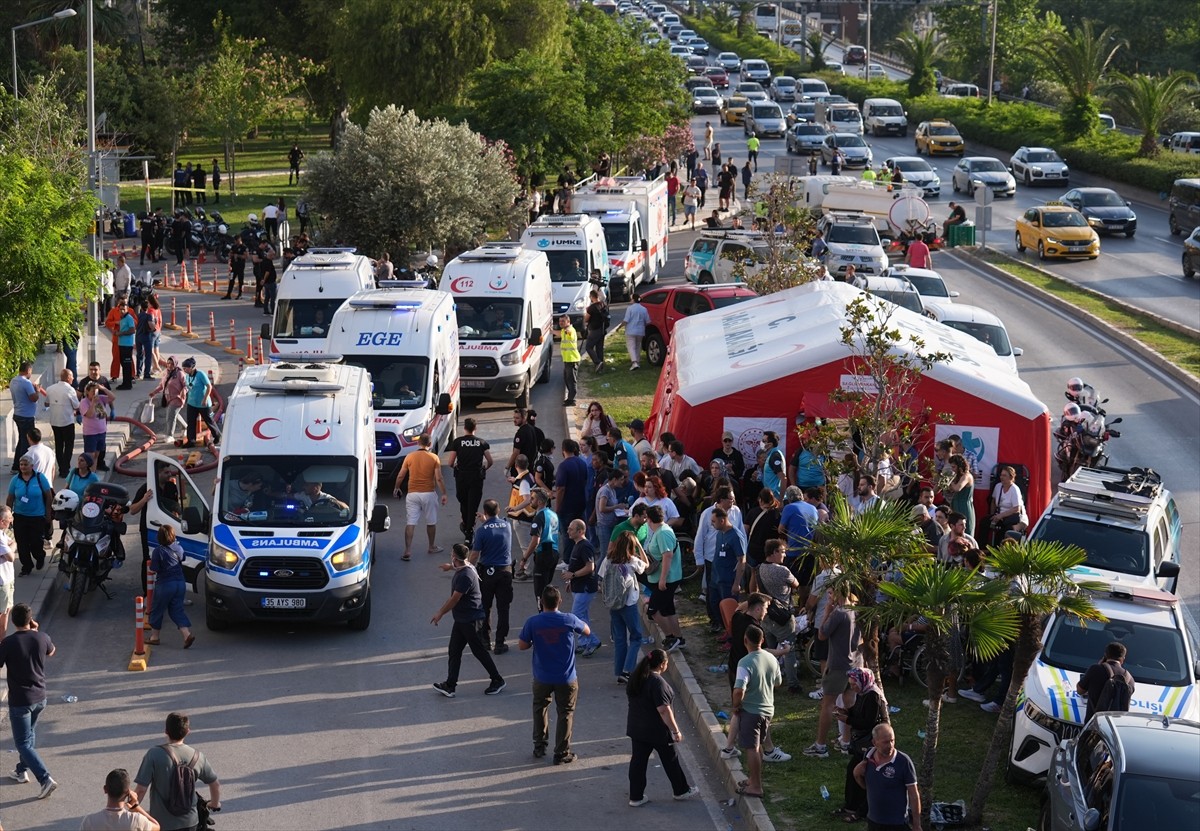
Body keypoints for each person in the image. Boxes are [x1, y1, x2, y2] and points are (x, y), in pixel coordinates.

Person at [519, 585, 589, 763]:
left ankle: (539, 745)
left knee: (540, 708)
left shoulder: (533, 622)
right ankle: (561, 752)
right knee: (565, 713)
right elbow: (586, 631)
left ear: (541, 602)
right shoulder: (568, 620)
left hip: (542, 676)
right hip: (566, 677)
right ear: (560, 601)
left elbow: (522, 645)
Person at [626, 649, 700, 806]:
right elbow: (664, 710)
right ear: (662, 664)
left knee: (638, 762)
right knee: (670, 760)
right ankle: (681, 790)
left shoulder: (636, 677)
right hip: (657, 731)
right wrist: (675, 730)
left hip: (637, 729)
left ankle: (635, 796)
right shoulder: (658, 683)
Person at [431, 543, 506, 698]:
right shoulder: (466, 567)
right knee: (454, 650)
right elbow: (460, 566)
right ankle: (450, 685)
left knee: (479, 651)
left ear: (454, 556)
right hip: (462, 619)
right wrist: (449, 567)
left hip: (471, 620)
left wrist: (440, 613)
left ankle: (497, 680)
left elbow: (454, 600)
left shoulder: (465, 577)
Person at [0, 603, 57, 799]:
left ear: (13, 622)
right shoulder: (42, 637)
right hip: (40, 698)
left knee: (23, 742)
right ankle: (21, 770)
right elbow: (51, 651)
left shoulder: (8, 643)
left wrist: (1, 629)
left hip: (20, 702)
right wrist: (36, 631)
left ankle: (45, 778)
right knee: (29, 735)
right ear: (30, 619)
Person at [134, 713, 220, 829]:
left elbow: (140, 790)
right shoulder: (197, 756)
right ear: (187, 731)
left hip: (161, 822)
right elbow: (214, 784)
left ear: (166, 731)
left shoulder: (154, 754)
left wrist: (132, 811)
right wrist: (214, 803)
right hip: (190, 822)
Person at [805, 586, 862, 758]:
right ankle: (846, 741)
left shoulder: (839, 613)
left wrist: (827, 612)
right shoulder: (857, 611)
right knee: (849, 702)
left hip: (837, 665)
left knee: (827, 705)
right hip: (854, 664)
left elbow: (821, 635)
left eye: (830, 593)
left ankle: (820, 745)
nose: (828, 596)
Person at [733, 624, 782, 798]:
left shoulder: (744, 662)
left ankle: (756, 786)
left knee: (752, 748)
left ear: (745, 640)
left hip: (751, 711)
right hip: (768, 710)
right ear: (762, 640)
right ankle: (753, 780)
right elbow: (778, 682)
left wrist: (736, 704)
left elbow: (739, 689)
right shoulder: (771, 659)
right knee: (758, 746)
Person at [836, 668, 891, 823]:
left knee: (861, 774)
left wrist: (847, 720)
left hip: (872, 744)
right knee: (853, 771)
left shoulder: (873, 696)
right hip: (864, 743)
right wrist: (846, 711)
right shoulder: (864, 693)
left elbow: (868, 721)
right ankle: (851, 806)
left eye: (854, 684)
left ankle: (861, 809)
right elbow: (859, 711)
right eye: (851, 685)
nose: (853, 688)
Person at [599, 529, 649, 683]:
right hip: (629, 604)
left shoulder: (608, 559)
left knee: (620, 639)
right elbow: (646, 564)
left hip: (613, 604)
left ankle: (619, 670)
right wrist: (640, 547)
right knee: (636, 637)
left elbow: (601, 578)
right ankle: (628, 670)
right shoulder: (632, 561)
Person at [853, 723, 921, 831]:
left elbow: (914, 795)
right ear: (874, 742)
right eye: (885, 742)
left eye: (892, 740)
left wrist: (917, 825)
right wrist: (856, 773)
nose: (890, 745)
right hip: (874, 821)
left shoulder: (903, 762)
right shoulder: (868, 755)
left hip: (897, 823)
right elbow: (864, 782)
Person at [467, 500, 513, 654]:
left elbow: (474, 555)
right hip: (505, 572)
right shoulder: (507, 525)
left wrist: (466, 566)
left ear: (485, 512)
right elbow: (496, 526)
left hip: (487, 573)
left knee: (485, 607)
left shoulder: (482, 531)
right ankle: (500, 643)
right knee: (503, 608)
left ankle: (485, 641)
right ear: (498, 510)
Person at [393, 433, 447, 561]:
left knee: (411, 522)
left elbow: (401, 475)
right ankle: (431, 546)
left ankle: (407, 550)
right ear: (430, 444)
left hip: (412, 494)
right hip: (429, 494)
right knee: (431, 521)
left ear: (418, 443)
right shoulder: (434, 458)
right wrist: (444, 493)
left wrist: (396, 487)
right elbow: (439, 478)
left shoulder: (409, 457)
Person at [146, 524, 195, 650]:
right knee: (176, 610)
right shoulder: (177, 549)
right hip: (180, 583)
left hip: (166, 584)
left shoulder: (158, 551)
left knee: (157, 609)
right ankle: (187, 635)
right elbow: (182, 558)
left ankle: (154, 637)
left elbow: (154, 568)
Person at [645, 505, 686, 651]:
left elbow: (667, 555)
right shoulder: (661, 531)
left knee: (653, 611)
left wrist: (662, 579)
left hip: (667, 579)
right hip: (665, 578)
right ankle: (679, 638)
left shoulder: (662, 533)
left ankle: (670, 638)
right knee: (668, 609)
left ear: (649, 519)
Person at [447, 418, 492, 540]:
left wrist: (456, 466)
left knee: (464, 501)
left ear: (464, 428)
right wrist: (484, 469)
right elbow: (490, 461)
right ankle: (469, 529)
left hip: (462, 477)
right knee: (473, 504)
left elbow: (450, 462)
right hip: (476, 477)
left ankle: (468, 529)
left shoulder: (457, 442)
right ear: (475, 428)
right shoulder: (482, 443)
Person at [7, 456, 52, 575]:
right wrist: (7, 515)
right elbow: (10, 498)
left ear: (32, 466)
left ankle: (40, 556)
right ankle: (26, 566)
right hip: (20, 516)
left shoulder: (40, 478)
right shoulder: (15, 480)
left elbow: (48, 496)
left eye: (25, 465)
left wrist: (48, 513)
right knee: (21, 544)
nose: (22, 467)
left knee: (36, 542)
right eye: (21, 464)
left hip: (37, 517)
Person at [80, 768, 160, 831]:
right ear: (128, 792)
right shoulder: (137, 820)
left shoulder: (89, 821)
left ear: (105, 789)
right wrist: (136, 807)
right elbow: (156, 826)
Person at [518, 489, 560, 607]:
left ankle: (543, 616)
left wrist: (524, 558)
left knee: (540, 593)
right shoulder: (553, 514)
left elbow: (535, 541)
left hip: (543, 555)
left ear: (540, 501)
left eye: (533, 498)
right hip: (554, 553)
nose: (530, 500)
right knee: (547, 589)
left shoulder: (539, 517)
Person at [1076, 641, 1135, 723]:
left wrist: (1099, 665)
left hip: (1093, 725)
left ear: (1105, 655)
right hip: (1115, 728)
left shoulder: (1095, 669)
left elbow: (1080, 690)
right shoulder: (1130, 679)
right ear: (1123, 659)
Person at [42, 369, 79, 477]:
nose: (73, 378)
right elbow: (77, 405)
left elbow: (46, 403)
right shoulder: (70, 390)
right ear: (68, 377)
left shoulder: (50, 388)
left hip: (54, 421)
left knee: (58, 444)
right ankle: (65, 468)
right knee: (68, 445)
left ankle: (61, 467)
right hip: (67, 421)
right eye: (71, 376)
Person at [9, 362, 44, 472]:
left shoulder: (13, 381)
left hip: (18, 413)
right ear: (28, 370)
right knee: (27, 442)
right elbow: (33, 398)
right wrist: (37, 391)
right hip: (26, 416)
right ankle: (22, 467)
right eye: (31, 372)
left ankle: (15, 466)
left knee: (22, 439)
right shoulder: (26, 383)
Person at [181, 358, 220, 448]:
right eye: (183, 368)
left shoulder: (200, 374)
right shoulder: (187, 376)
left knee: (209, 421)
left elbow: (209, 386)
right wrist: (184, 390)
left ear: (192, 367)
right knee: (190, 423)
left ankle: (217, 436)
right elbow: (188, 386)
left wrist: (205, 398)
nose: (184, 370)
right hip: (192, 403)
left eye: (186, 368)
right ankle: (191, 440)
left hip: (203, 404)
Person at [988, 465, 1028, 543]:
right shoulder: (998, 486)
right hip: (1000, 516)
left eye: (1004, 475)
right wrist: (993, 514)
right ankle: (982, 547)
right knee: (984, 522)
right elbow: (993, 501)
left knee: (1005, 530)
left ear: (1011, 477)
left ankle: (998, 549)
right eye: (1001, 475)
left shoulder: (1014, 489)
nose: (1001, 477)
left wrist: (1000, 516)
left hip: (1012, 517)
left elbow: (1017, 509)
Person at [944, 453, 976, 536]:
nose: (952, 469)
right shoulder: (958, 476)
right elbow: (951, 490)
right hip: (955, 505)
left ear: (960, 466)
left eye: (954, 467)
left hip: (964, 506)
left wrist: (949, 482)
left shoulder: (967, 476)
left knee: (965, 531)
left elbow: (957, 488)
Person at [620, 294, 650, 371]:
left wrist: (620, 327)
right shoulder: (644, 309)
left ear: (633, 300)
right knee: (637, 346)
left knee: (631, 347)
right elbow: (648, 321)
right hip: (640, 331)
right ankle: (637, 361)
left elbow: (626, 320)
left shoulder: (630, 308)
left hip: (631, 330)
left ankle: (634, 362)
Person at [0, 507, 17, 635]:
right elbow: (11, 557)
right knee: (3, 616)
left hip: (7, 580)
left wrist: (11, 546)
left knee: (6, 611)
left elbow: (13, 543)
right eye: (9, 518)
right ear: (2, 521)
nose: (11, 521)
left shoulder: (3, 533)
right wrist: (12, 546)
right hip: (2, 583)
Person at [584, 289, 608, 371]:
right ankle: (601, 367)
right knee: (599, 348)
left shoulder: (591, 308)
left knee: (588, 347)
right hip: (602, 329)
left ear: (591, 297)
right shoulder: (603, 304)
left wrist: (586, 311)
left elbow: (586, 319)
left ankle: (597, 362)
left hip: (594, 330)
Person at [558, 315, 580, 406]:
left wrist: (567, 331)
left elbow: (569, 334)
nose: (561, 323)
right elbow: (559, 333)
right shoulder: (563, 330)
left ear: (568, 321)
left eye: (563, 321)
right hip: (567, 360)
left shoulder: (570, 330)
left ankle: (572, 400)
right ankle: (570, 398)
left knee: (571, 380)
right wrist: (551, 331)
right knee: (567, 379)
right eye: (560, 321)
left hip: (572, 360)